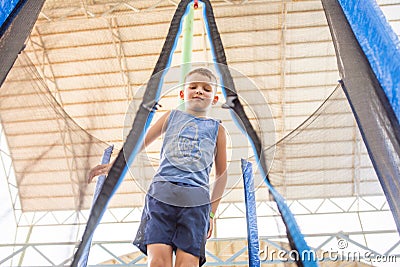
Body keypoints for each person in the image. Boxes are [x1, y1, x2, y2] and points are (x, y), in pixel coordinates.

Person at [88, 67, 228, 267]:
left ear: (214, 98)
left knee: (188, 262)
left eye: (206, 89)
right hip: (162, 195)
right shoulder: (172, 117)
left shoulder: (217, 129)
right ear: (183, 94)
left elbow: (222, 175)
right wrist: (116, 164)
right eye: (193, 87)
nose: (199, 91)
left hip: (195, 202)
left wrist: (211, 214)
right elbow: (140, 143)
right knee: (158, 261)